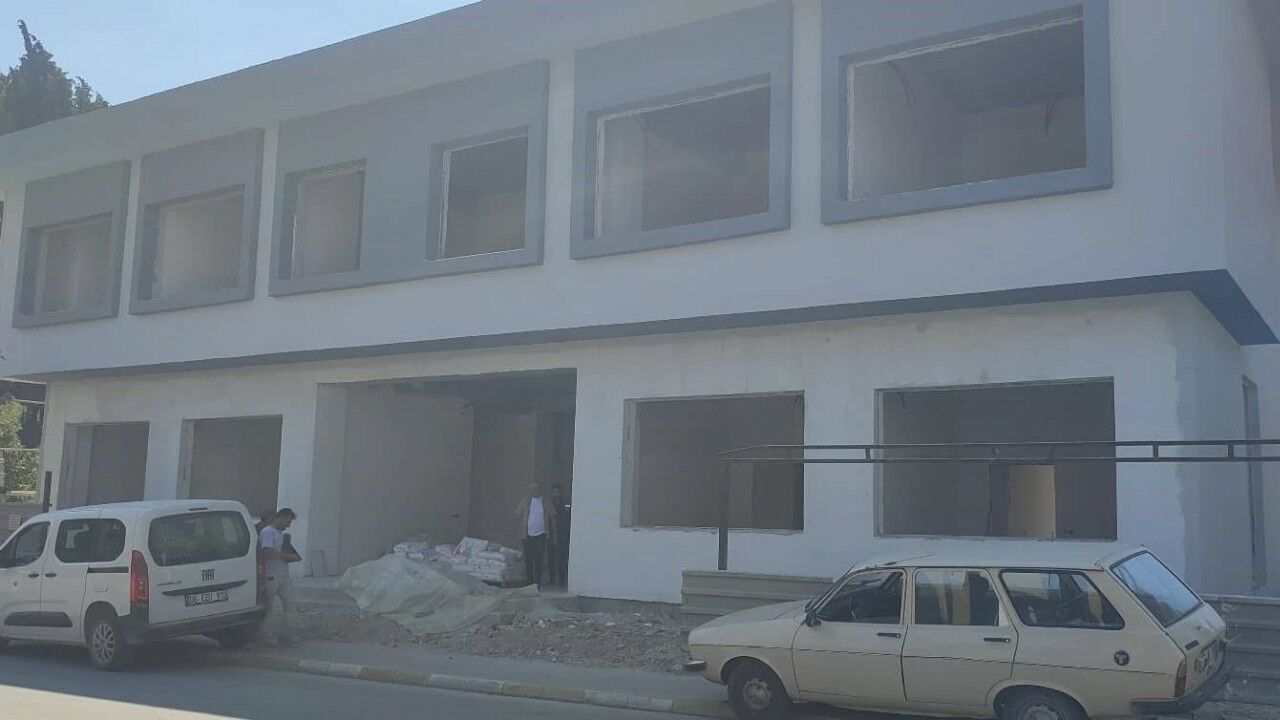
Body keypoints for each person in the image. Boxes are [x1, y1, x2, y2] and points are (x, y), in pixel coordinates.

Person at [259, 508, 301, 646]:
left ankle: (286, 634)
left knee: (291, 605)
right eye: (287, 521)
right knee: (269, 609)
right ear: (281, 517)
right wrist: (287, 557)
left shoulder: (281, 534)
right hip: (271, 576)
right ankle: (266, 636)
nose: (288, 525)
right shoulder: (267, 532)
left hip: (283, 576)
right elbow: (267, 553)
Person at [514, 482, 555, 589]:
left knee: (539, 559)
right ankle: (529, 582)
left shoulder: (546, 502)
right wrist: (521, 527)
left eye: (536, 488)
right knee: (528, 559)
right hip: (527, 535)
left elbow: (552, 517)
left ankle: (537, 583)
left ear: (540, 489)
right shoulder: (526, 502)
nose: (534, 490)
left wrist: (554, 533)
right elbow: (517, 514)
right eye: (532, 488)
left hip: (541, 534)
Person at [548, 483, 571, 587]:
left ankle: (562, 580)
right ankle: (551, 579)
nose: (556, 494)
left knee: (562, 558)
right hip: (551, 533)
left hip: (563, 533)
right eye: (554, 492)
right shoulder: (549, 504)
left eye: (558, 492)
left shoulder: (566, 503)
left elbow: (568, 515)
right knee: (551, 558)